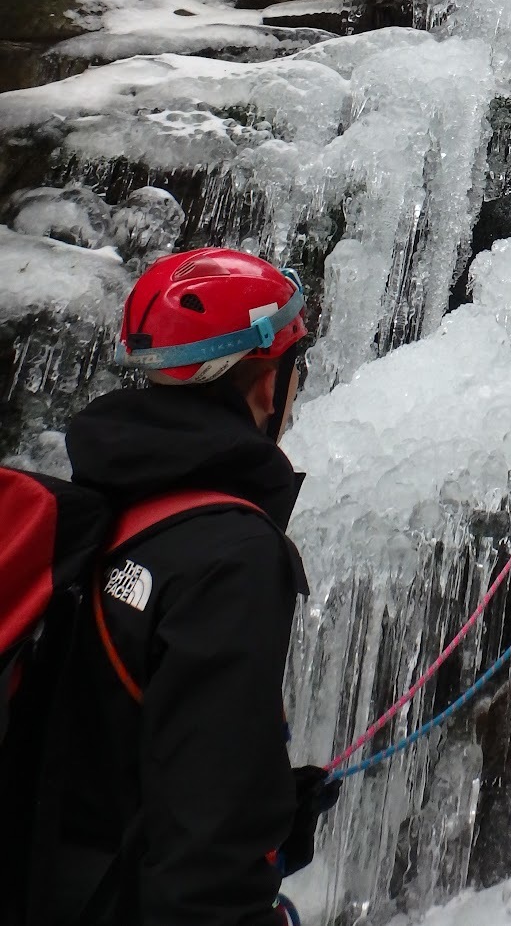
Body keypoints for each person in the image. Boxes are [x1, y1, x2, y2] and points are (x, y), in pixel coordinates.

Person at [1, 247, 334, 926]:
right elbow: (205, 859)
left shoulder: (102, 503)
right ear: (267, 383)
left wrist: (262, 803)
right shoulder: (234, 556)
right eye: (297, 371)